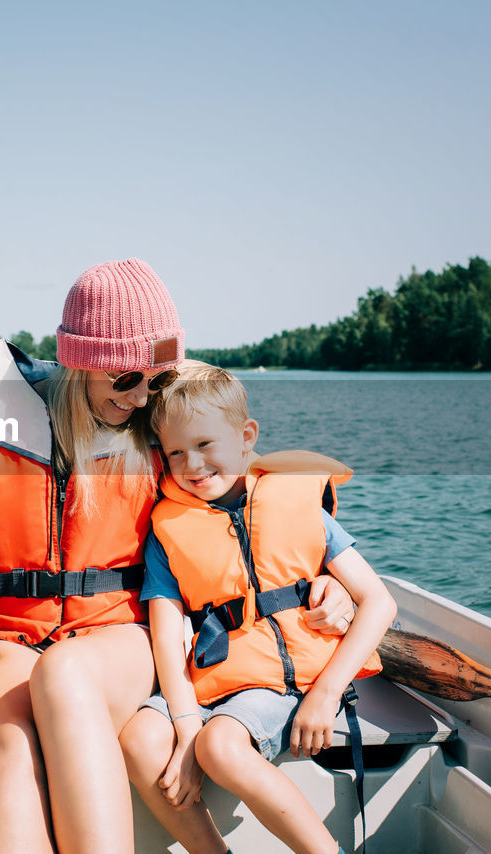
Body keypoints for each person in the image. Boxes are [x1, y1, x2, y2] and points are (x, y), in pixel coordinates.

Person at [0, 259, 358, 853]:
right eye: (124, 380)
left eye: (154, 380)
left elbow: (245, 493)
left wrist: (331, 580)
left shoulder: (161, 414)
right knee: (12, 744)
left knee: (65, 675)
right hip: (0, 640)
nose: (142, 397)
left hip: (118, 637)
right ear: (78, 362)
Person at [119, 362, 398, 854]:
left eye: (205, 445)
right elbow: (166, 636)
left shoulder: (294, 502)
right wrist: (184, 727)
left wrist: (326, 693)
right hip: (211, 680)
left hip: (286, 682)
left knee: (220, 745)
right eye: (175, 452)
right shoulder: (169, 527)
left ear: (246, 436)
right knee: (140, 738)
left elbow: (379, 601)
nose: (192, 465)